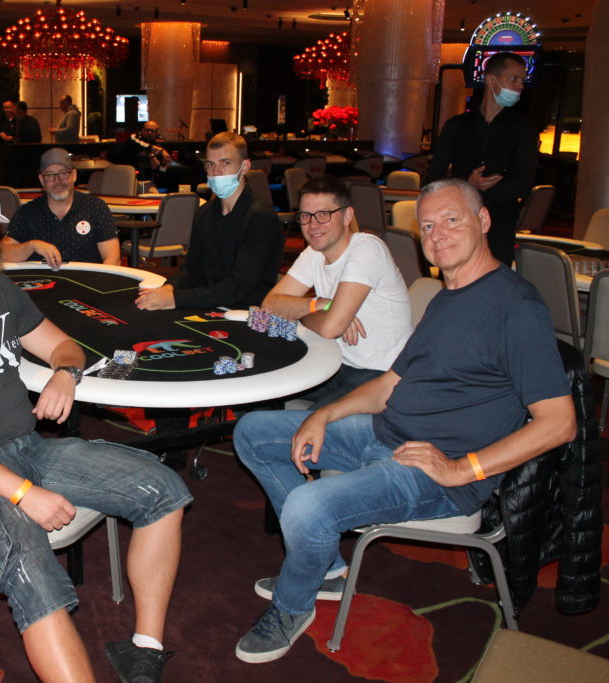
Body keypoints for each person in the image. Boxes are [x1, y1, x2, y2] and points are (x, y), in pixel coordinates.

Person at [231, 178, 575, 665]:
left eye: (451, 220)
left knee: (310, 506)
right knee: (253, 432)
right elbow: (390, 383)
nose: (437, 235)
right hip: (385, 432)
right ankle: (322, 566)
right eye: (427, 226)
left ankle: (293, 606)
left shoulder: (516, 308)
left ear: (483, 221)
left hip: (436, 469)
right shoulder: (447, 298)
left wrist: (462, 469)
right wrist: (323, 415)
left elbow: (559, 423)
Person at [0, 182, 191, 682]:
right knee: (33, 569)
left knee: (163, 488)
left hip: (28, 447)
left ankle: (145, 650)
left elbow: (65, 346)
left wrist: (65, 374)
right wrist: (24, 494)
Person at [263, 176, 412, 408]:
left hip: (382, 374)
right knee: (262, 386)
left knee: (308, 424)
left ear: (347, 216)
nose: (313, 225)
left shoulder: (367, 249)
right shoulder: (314, 253)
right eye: (306, 216)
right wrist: (321, 304)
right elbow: (269, 306)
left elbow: (331, 328)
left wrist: (305, 314)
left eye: (323, 214)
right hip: (336, 365)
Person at [136, 131, 283, 311]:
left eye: (225, 163)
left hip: (247, 311)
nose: (216, 172)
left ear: (245, 166)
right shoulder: (205, 212)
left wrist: (176, 298)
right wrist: (170, 287)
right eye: (210, 164)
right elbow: (193, 268)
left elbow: (239, 287)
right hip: (208, 303)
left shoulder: (261, 217)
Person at [427, 52, 537, 265]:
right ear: (491, 80)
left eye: (522, 81)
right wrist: (467, 186)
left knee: (494, 282)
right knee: (455, 279)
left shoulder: (524, 129)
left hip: (499, 226)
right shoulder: (456, 126)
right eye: (513, 79)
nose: (520, 86)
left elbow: (524, 183)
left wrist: (478, 191)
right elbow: (433, 178)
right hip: (456, 224)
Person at [2, 147, 120, 267]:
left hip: (87, 278)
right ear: (42, 180)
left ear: (74, 175)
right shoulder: (27, 212)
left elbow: (113, 258)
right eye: (50, 175)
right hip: (40, 278)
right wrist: (32, 245)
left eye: (63, 173)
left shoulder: (96, 208)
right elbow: (3, 253)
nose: (58, 180)